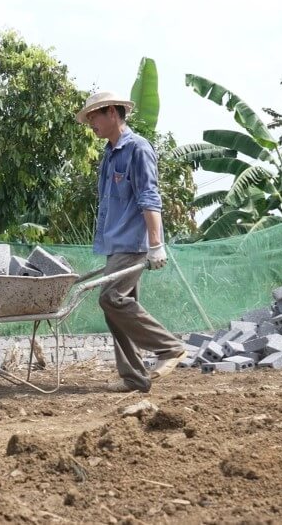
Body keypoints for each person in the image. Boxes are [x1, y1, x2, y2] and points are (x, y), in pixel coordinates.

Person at [76, 91, 187, 393]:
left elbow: (149, 196)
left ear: (112, 112)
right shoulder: (110, 154)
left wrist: (156, 243)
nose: (91, 124)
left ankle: (170, 347)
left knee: (110, 298)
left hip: (133, 242)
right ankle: (135, 377)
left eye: (94, 117)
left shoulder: (138, 148)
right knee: (117, 309)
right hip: (116, 242)